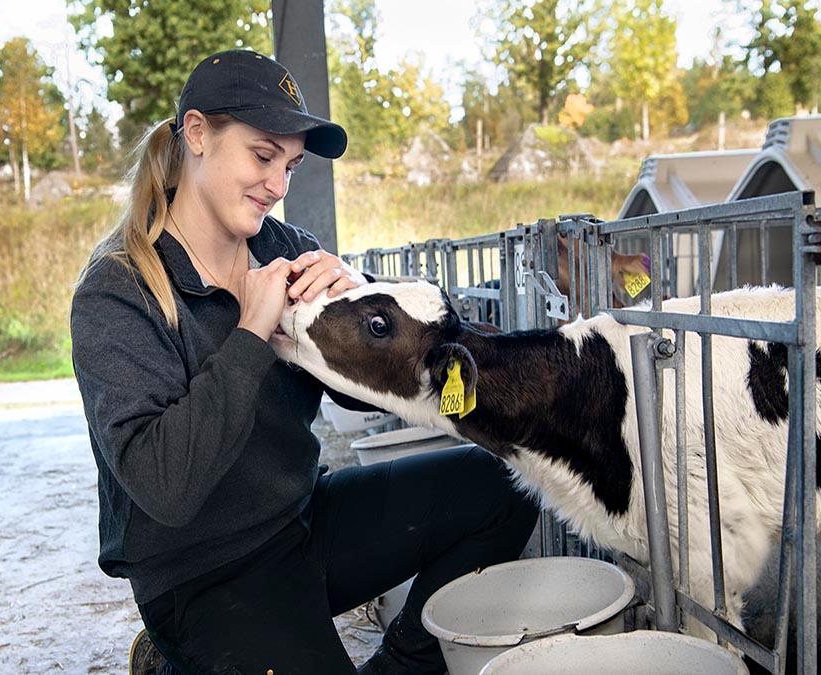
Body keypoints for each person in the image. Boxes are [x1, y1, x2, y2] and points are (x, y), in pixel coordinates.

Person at [70, 49, 539, 675]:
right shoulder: (118, 290)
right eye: (263, 156)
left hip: (300, 522)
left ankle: (397, 665)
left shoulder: (285, 247)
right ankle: (180, 655)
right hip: (203, 573)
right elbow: (165, 488)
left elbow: (359, 397)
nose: (278, 185)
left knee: (507, 486)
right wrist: (251, 333)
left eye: (289, 165)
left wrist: (354, 299)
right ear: (199, 134)